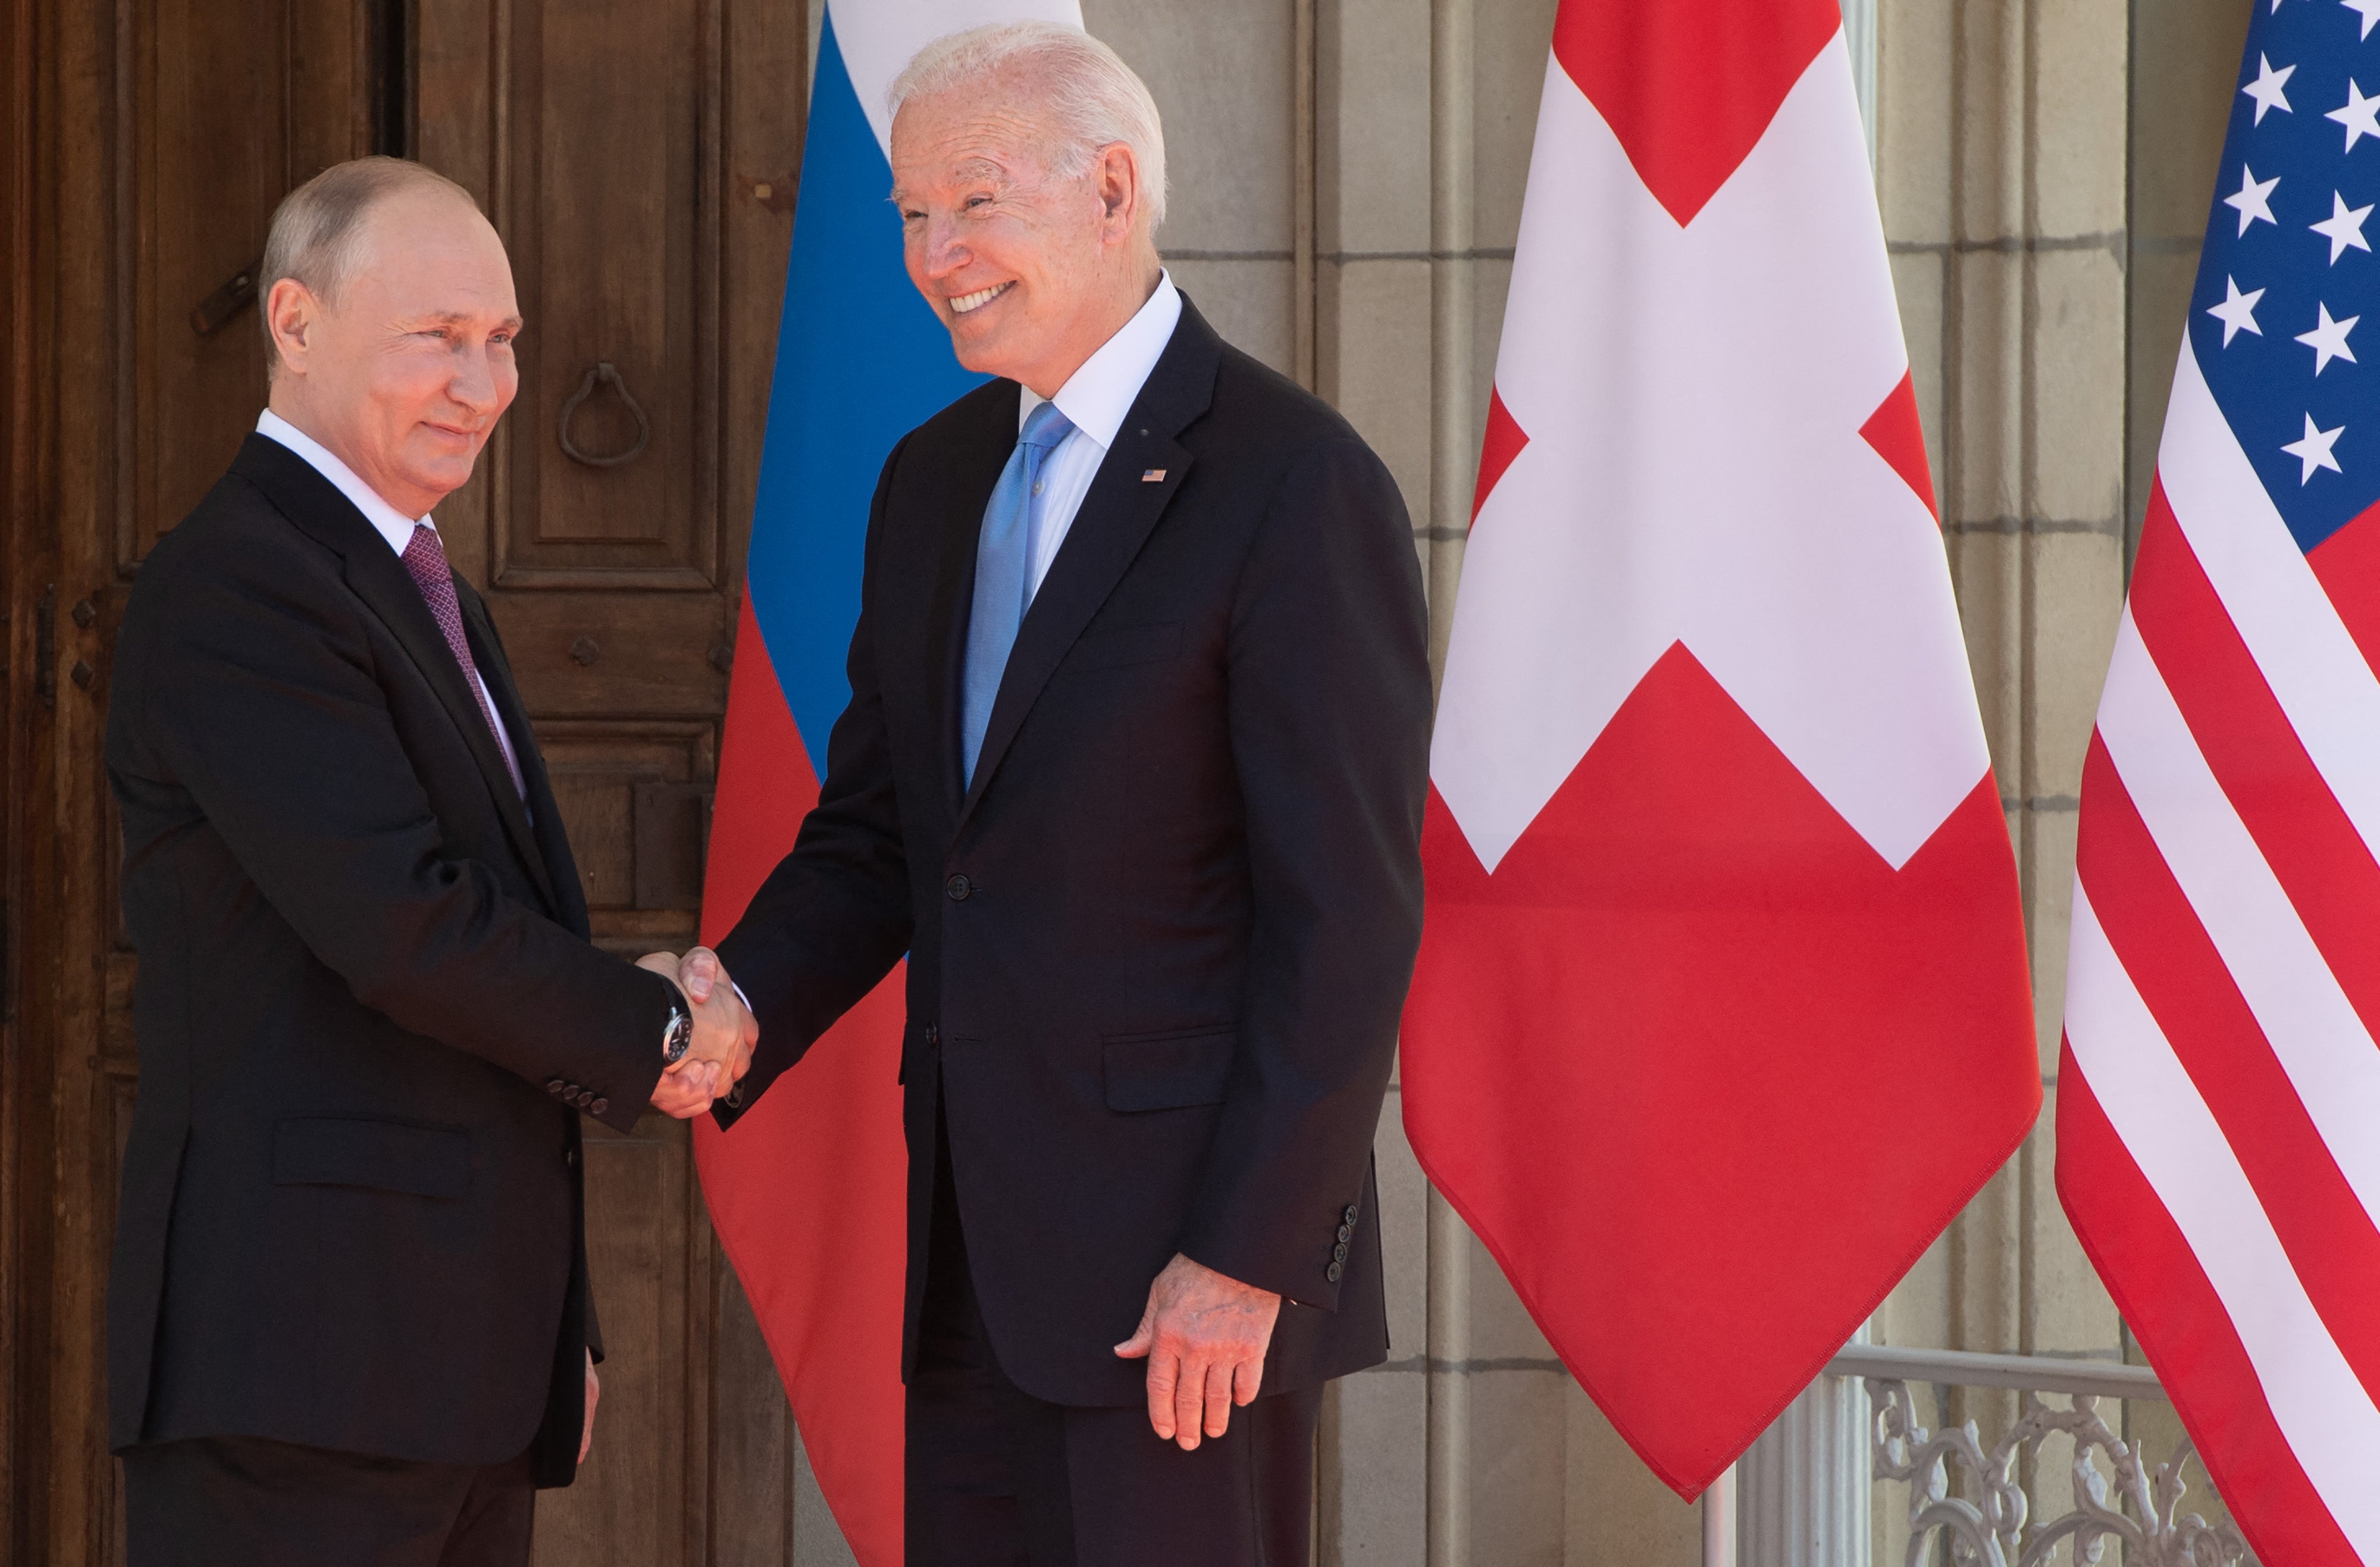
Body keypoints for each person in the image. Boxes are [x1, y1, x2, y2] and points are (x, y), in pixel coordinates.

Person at [696, 23, 1432, 1566]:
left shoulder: (1292, 485)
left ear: (1112, 189)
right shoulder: (931, 479)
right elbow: (890, 835)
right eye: (907, 214)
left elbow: (1347, 920)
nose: (930, 254)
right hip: (973, 1265)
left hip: (1184, 1290)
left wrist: (1242, 1257)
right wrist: (732, 1004)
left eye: (971, 203)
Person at [104, 155, 757, 1567]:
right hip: (305, 1372)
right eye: (436, 339)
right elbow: (406, 930)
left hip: (450, 1372)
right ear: (294, 320)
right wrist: (658, 1027)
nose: (483, 380)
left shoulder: (423, 581)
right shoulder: (240, 583)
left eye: (503, 340)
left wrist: (547, 1336)